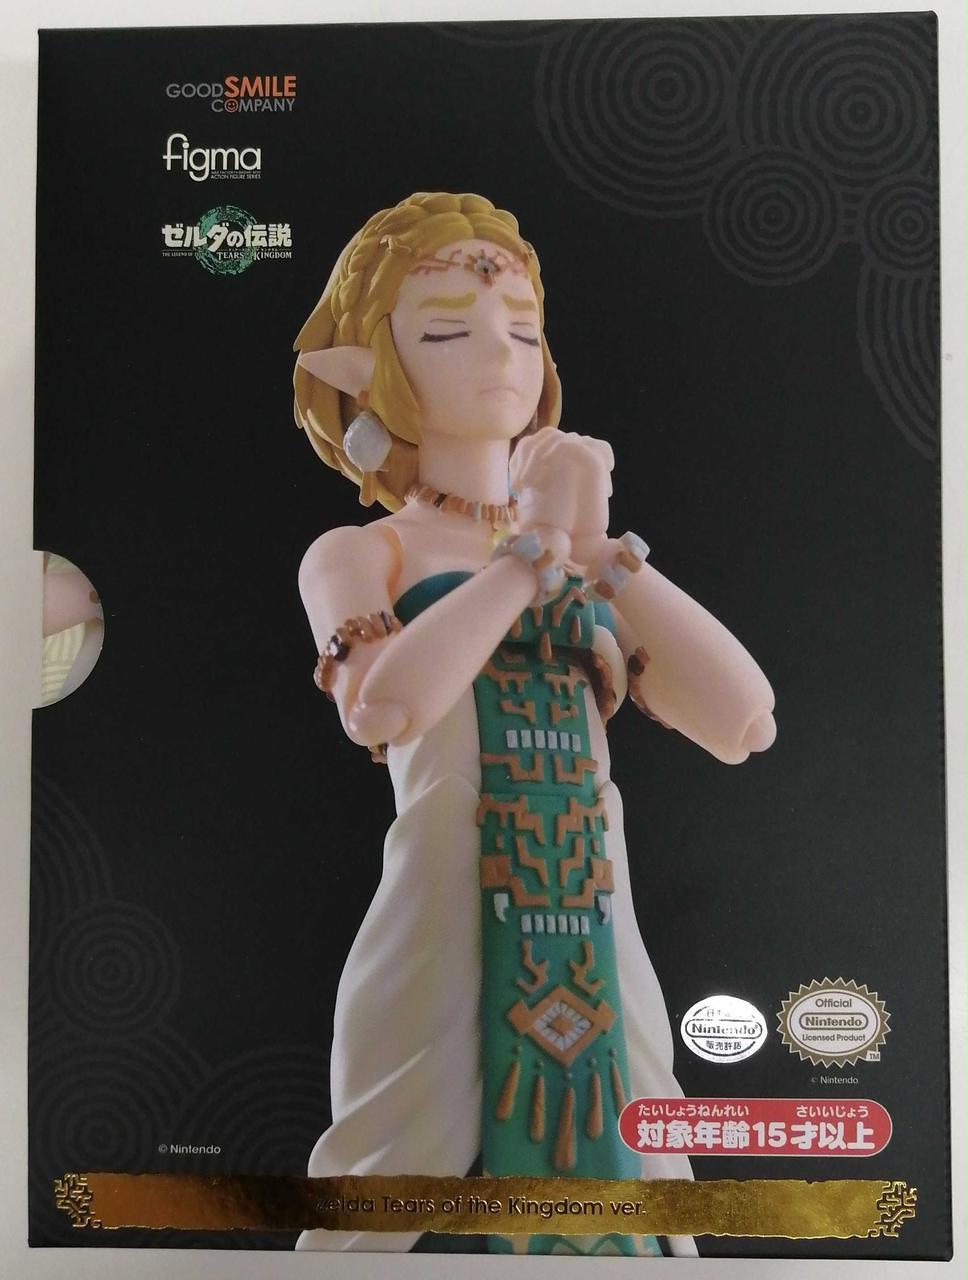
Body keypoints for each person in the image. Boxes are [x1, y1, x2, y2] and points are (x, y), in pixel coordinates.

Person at [292, 192, 775, 1256]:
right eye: (447, 331)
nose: (498, 357)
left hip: (591, 900)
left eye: (520, 330)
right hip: (444, 900)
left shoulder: (578, 553)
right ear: (371, 370)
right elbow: (384, 704)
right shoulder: (362, 551)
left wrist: (601, 558)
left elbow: (744, 722)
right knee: (381, 1179)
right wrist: (528, 557)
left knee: (642, 1171)